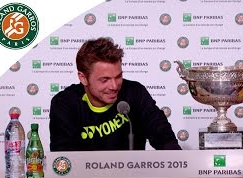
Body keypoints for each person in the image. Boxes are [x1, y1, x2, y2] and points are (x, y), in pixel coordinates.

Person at [49, 37, 182, 151]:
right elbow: (63, 160)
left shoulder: (135, 92)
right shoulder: (65, 103)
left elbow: (164, 138)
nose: (114, 86)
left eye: (118, 77)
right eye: (104, 80)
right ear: (83, 78)